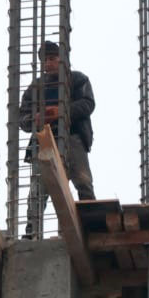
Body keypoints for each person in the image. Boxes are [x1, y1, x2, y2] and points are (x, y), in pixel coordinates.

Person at [18, 40, 96, 206]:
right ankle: (33, 223)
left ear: (62, 60)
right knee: (37, 192)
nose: (48, 63)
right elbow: (22, 118)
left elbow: (88, 103)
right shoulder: (36, 87)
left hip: (72, 137)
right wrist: (35, 119)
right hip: (44, 141)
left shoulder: (77, 79)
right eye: (45, 60)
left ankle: (91, 217)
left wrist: (62, 112)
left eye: (52, 58)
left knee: (83, 181)